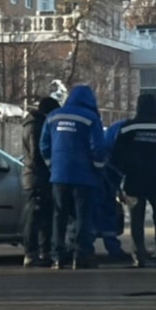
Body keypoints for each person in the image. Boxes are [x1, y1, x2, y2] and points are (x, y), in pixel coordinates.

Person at [40, 85, 106, 270]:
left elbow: (44, 144)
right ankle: (81, 255)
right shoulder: (90, 118)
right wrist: (99, 169)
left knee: (59, 215)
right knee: (83, 216)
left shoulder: (54, 116)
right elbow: (98, 148)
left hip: (59, 176)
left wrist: (52, 165)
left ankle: (58, 257)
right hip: (84, 177)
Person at [113, 94, 156, 267]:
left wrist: (121, 174)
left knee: (136, 221)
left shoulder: (127, 127)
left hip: (134, 179)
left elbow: (116, 153)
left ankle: (139, 258)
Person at [21, 97, 61, 267]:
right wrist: (50, 168)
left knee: (43, 215)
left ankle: (42, 252)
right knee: (36, 216)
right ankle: (31, 252)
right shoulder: (36, 126)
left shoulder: (31, 124)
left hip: (35, 176)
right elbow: (38, 154)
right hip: (38, 177)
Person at [93, 119, 130, 261]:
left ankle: (82, 250)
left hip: (104, 172)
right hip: (107, 173)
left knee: (97, 211)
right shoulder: (124, 130)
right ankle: (112, 249)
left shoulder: (116, 129)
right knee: (106, 211)